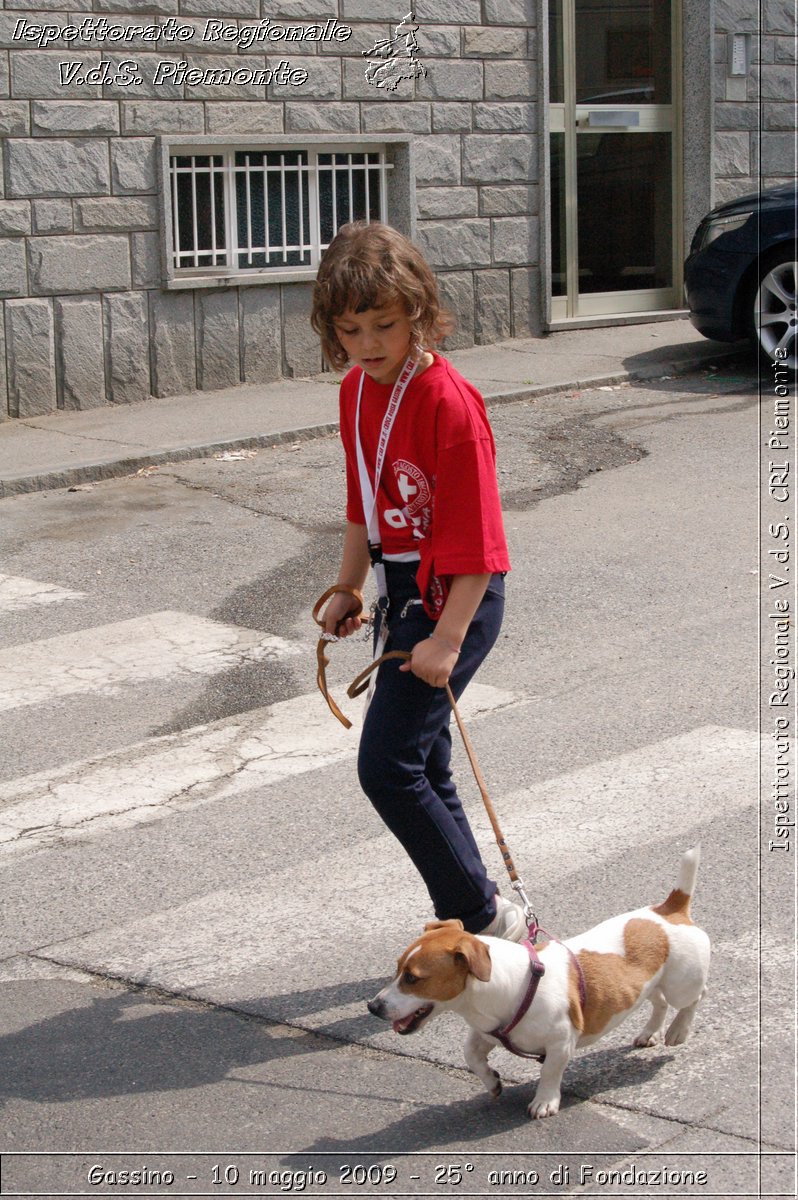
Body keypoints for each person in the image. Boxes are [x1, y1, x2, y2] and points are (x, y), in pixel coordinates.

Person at [310, 221, 525, 942]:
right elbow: (362, 498)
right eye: (350, 329)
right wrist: (347, 585)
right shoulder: (356, 390)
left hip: (455, 598)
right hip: (404, 594)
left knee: (390, 765)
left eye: (384, 325)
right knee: (424, 763)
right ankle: (478, 914)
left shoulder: (447, 402)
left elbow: (481, 542)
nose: (368, 343)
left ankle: (483, 916)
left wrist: (447, 638)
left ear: (419, 314)